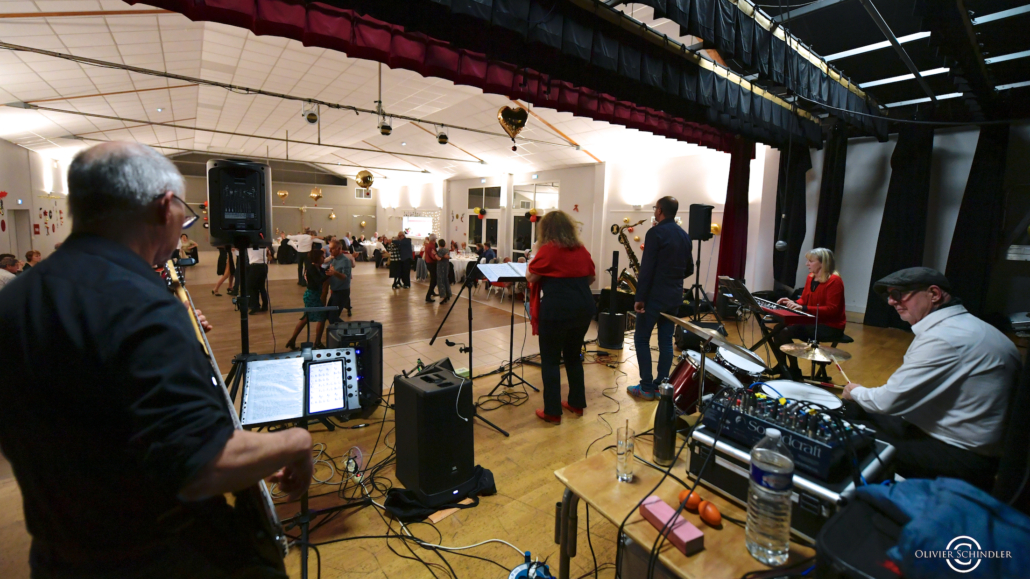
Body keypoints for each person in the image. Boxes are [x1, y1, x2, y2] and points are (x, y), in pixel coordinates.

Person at [0, 142, 313, 578]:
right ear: (165, 207)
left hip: (60, 553)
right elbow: (203, 464)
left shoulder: (15, 299)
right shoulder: (139, 303)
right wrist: (297, 441)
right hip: (159, 555)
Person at [842, 267, 1021, 491]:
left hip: (961, 455)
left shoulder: (945, 337)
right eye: (889, 296)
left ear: (934, 294)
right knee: (855, 409)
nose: (891, 302)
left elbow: (888, 401)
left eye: (898, 294)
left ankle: (863, 499)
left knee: (843, 429)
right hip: (962, 439)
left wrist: (855, 391)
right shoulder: (973, 327)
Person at [527, 211, 596, 424]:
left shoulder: (548, 250)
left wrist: (536, 252)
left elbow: (531, 276)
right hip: (583, 307)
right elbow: (591, 278)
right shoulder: (581, 250)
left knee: (550, 360)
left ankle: (553, 411)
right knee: (573, 356)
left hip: (557, 310)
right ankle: (576, 403)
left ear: (546, 230)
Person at [628, 196, 693, 400]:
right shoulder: (684, 235)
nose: (655, 211)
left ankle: (646, 388)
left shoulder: (655, 232)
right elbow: (689, 269)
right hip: (674, 297)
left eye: (655, 208)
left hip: (653, 296)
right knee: (666, 341)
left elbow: (647, 268)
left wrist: (640, 297)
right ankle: (661, 387)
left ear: (660, 210)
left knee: (641, 339)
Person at [772, 248, 846, 380]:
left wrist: (804, 308)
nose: (807, 264)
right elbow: (804, 300)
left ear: (823, 263)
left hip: (829, 326)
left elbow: (832, 309)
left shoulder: (834, 281)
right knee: (777, 329)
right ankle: (783, 366)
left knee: (784, 332)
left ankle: (793, 369)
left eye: (811, 261)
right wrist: (793, 302)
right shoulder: (811, 277)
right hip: (812, 320)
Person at [285, 248, 330, 350]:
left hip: (314, 295)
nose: (324, 258)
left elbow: (323, 274)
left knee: (307, 318)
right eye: (322, 257)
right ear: (317, 258)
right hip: (312, 295)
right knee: (320, 318)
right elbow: (319, 280)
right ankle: (317, 342)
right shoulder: (311, 268)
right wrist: (329, 275)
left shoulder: (318, 268)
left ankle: (293, 340)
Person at [326, 238, 353, 321]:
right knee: (328, 315)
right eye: (329, 248)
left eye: (332, 249)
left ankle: (349, 328)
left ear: (339, 249)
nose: (330, 251)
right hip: (335, 290)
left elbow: (345, 277)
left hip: (342, 291)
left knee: (333, 318)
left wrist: (334, 273)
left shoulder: (345, 261)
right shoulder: (334, 259)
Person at [245, 245, 269, 315]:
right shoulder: (262, 243)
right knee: (261, 287)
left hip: (255, 266)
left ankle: (254, 306)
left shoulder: (250, 244)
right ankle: (265, 306)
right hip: (264, 266)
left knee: (249, 286)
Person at [424, 233, 439, 303]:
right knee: (434, 280)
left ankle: (432, 292)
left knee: (433, 279)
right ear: (434, 239)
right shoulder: (431, 246)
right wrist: (438, 256)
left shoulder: (427, 245)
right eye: (435, 239)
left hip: (428, 262)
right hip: (431, 263)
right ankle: (428, 296)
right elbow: (433, 257)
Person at [436, 238, 452, 304]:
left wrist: (435, 254)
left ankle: (443, 296)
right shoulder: (447, 250)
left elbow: (439, 258)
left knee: (441, 281)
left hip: (441, 267)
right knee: (446, 280)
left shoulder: (440, 251)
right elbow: (448, 257)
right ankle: (448, 294)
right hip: (446, 266)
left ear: (439, 244)